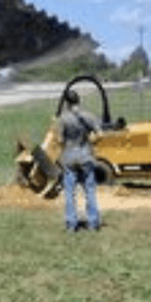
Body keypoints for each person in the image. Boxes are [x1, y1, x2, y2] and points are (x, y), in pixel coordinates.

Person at [58, 89, 101, 232]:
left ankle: (71, 224)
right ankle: (93, 223)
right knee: (89, 191)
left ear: (66, 103)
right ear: (78, 100)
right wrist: (90, 142)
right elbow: (99, 134)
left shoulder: (63, 119)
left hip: (69, 157)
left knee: (70, 193)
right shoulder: (88, 116)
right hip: (86, 156)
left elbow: (60, 140)